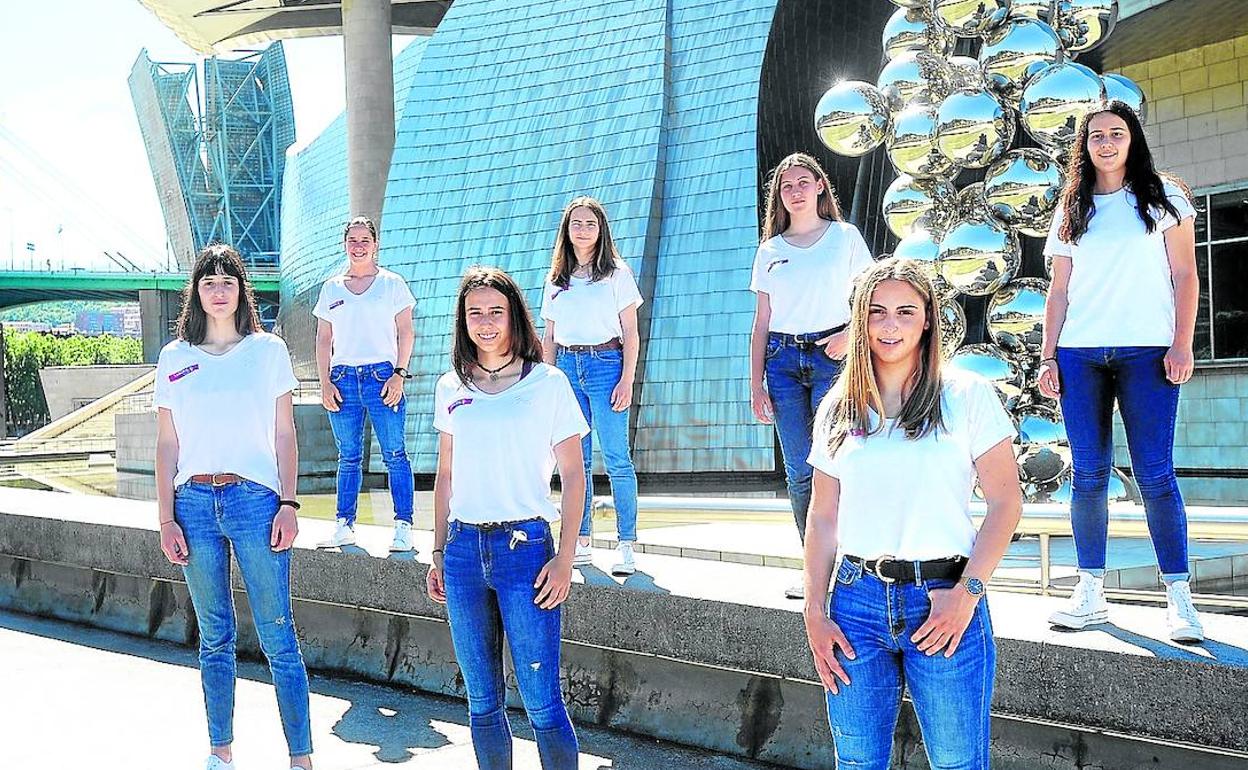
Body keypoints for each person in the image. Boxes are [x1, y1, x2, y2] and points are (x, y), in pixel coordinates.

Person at [802, 257, 1022, 770]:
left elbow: (1006, 502)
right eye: (876, 312)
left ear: (928, 318)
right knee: (857, 763)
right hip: (856, 604)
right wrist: (814, 608)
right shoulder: (839, 404)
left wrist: (967, 595)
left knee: (957, 763)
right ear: (860, 321)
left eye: (905, 311)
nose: (890, 324)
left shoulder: (966, 395)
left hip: (943, 600)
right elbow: (823, 517)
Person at [1038, 101, 1204, 642]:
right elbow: (1058, 290)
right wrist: (1047, 357)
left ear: (1133, 139)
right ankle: (1090, 591)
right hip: (1080, 355)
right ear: (1083, 147)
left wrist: (1182, 344)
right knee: (1087, 475)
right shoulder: (1071, 208)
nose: (1106, 143)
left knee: (1156, 474)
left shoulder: (1164, 198)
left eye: (1116, 133)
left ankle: (1179, 597)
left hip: (1148, 354)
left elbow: (1185, 275)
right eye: (1096, 137)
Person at [154, 244, 312, 770]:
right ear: (196, 293)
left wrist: (289, 502)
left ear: (242, 289)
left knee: (278, 635)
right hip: (193, 503)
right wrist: (165, 516)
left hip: (254, 501)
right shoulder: (175, 358)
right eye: (208, 282)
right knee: (214, 637)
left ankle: (300, 758)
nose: (218, 290)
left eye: (227, 281)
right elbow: (167, 444)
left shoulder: (267, 351)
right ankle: (220, 753)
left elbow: (285, 432)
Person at [426, 266, 588, 770]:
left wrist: (565, 558)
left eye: (496, 311)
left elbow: (575, 476)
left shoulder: (548, 383)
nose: (486, 322)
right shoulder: (450, 385)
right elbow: (445, 476)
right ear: (463, 321)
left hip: (527, 553)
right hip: (463, 554)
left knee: (542, 702)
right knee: (482, 704)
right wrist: (437, 551)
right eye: (475, 313)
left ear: (515, 316)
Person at [749, 152, 875, 599]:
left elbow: (870, 294)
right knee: (800, 470)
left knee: (839, 462)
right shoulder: (771, 250)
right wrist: (755, 383)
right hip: (782, 360)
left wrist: (848, 334)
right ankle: (813, 568)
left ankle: (850, 565)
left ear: (820, 186)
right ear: (779, 197)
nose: (796, 191)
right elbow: (762, 320)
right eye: (787, 186)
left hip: (831, 356)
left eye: (803, 182)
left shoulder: (844, 238)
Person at [540, 196, 643, 576]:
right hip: (566, 366)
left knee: (617, 458)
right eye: (576, 223)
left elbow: (631, 332)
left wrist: (627, 379)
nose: (582, 230)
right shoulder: (556, 279)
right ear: (566, 230)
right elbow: (548, 336)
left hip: (606, 364)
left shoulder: (616, 273)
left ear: (601, 230)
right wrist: (547, 381)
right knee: (575, 461)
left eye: (590, 223)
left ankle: (626, 543)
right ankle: (580, 540)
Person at [313, 216, 418, 552]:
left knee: (395, 454)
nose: (358, 247)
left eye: (364, 240)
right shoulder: (331, 287)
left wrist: (399, 374)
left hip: (382, 377)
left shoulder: (392, 284)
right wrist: (324, 382)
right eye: (352, 241)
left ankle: (403, 525)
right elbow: (323, 337)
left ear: (375, 244)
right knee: (349, 456)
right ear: (345, 245)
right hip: (343, 379)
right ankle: (344, 523)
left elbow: (406, 331)